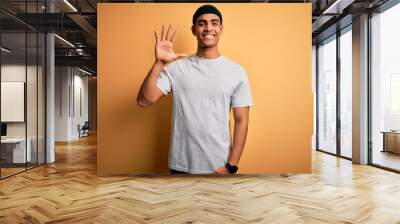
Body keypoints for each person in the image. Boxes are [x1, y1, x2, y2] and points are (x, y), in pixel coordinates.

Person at [137, 4, 253, 175]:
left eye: (214, 23)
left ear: (221, 29)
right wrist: (159, 63)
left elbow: (242, 121)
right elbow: (144, 100)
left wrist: (231, 166)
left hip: (219, 166)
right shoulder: (177, 68)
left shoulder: (236, 71)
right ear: (193, 29)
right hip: (180, 165)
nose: (208, 28)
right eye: (202, 23)